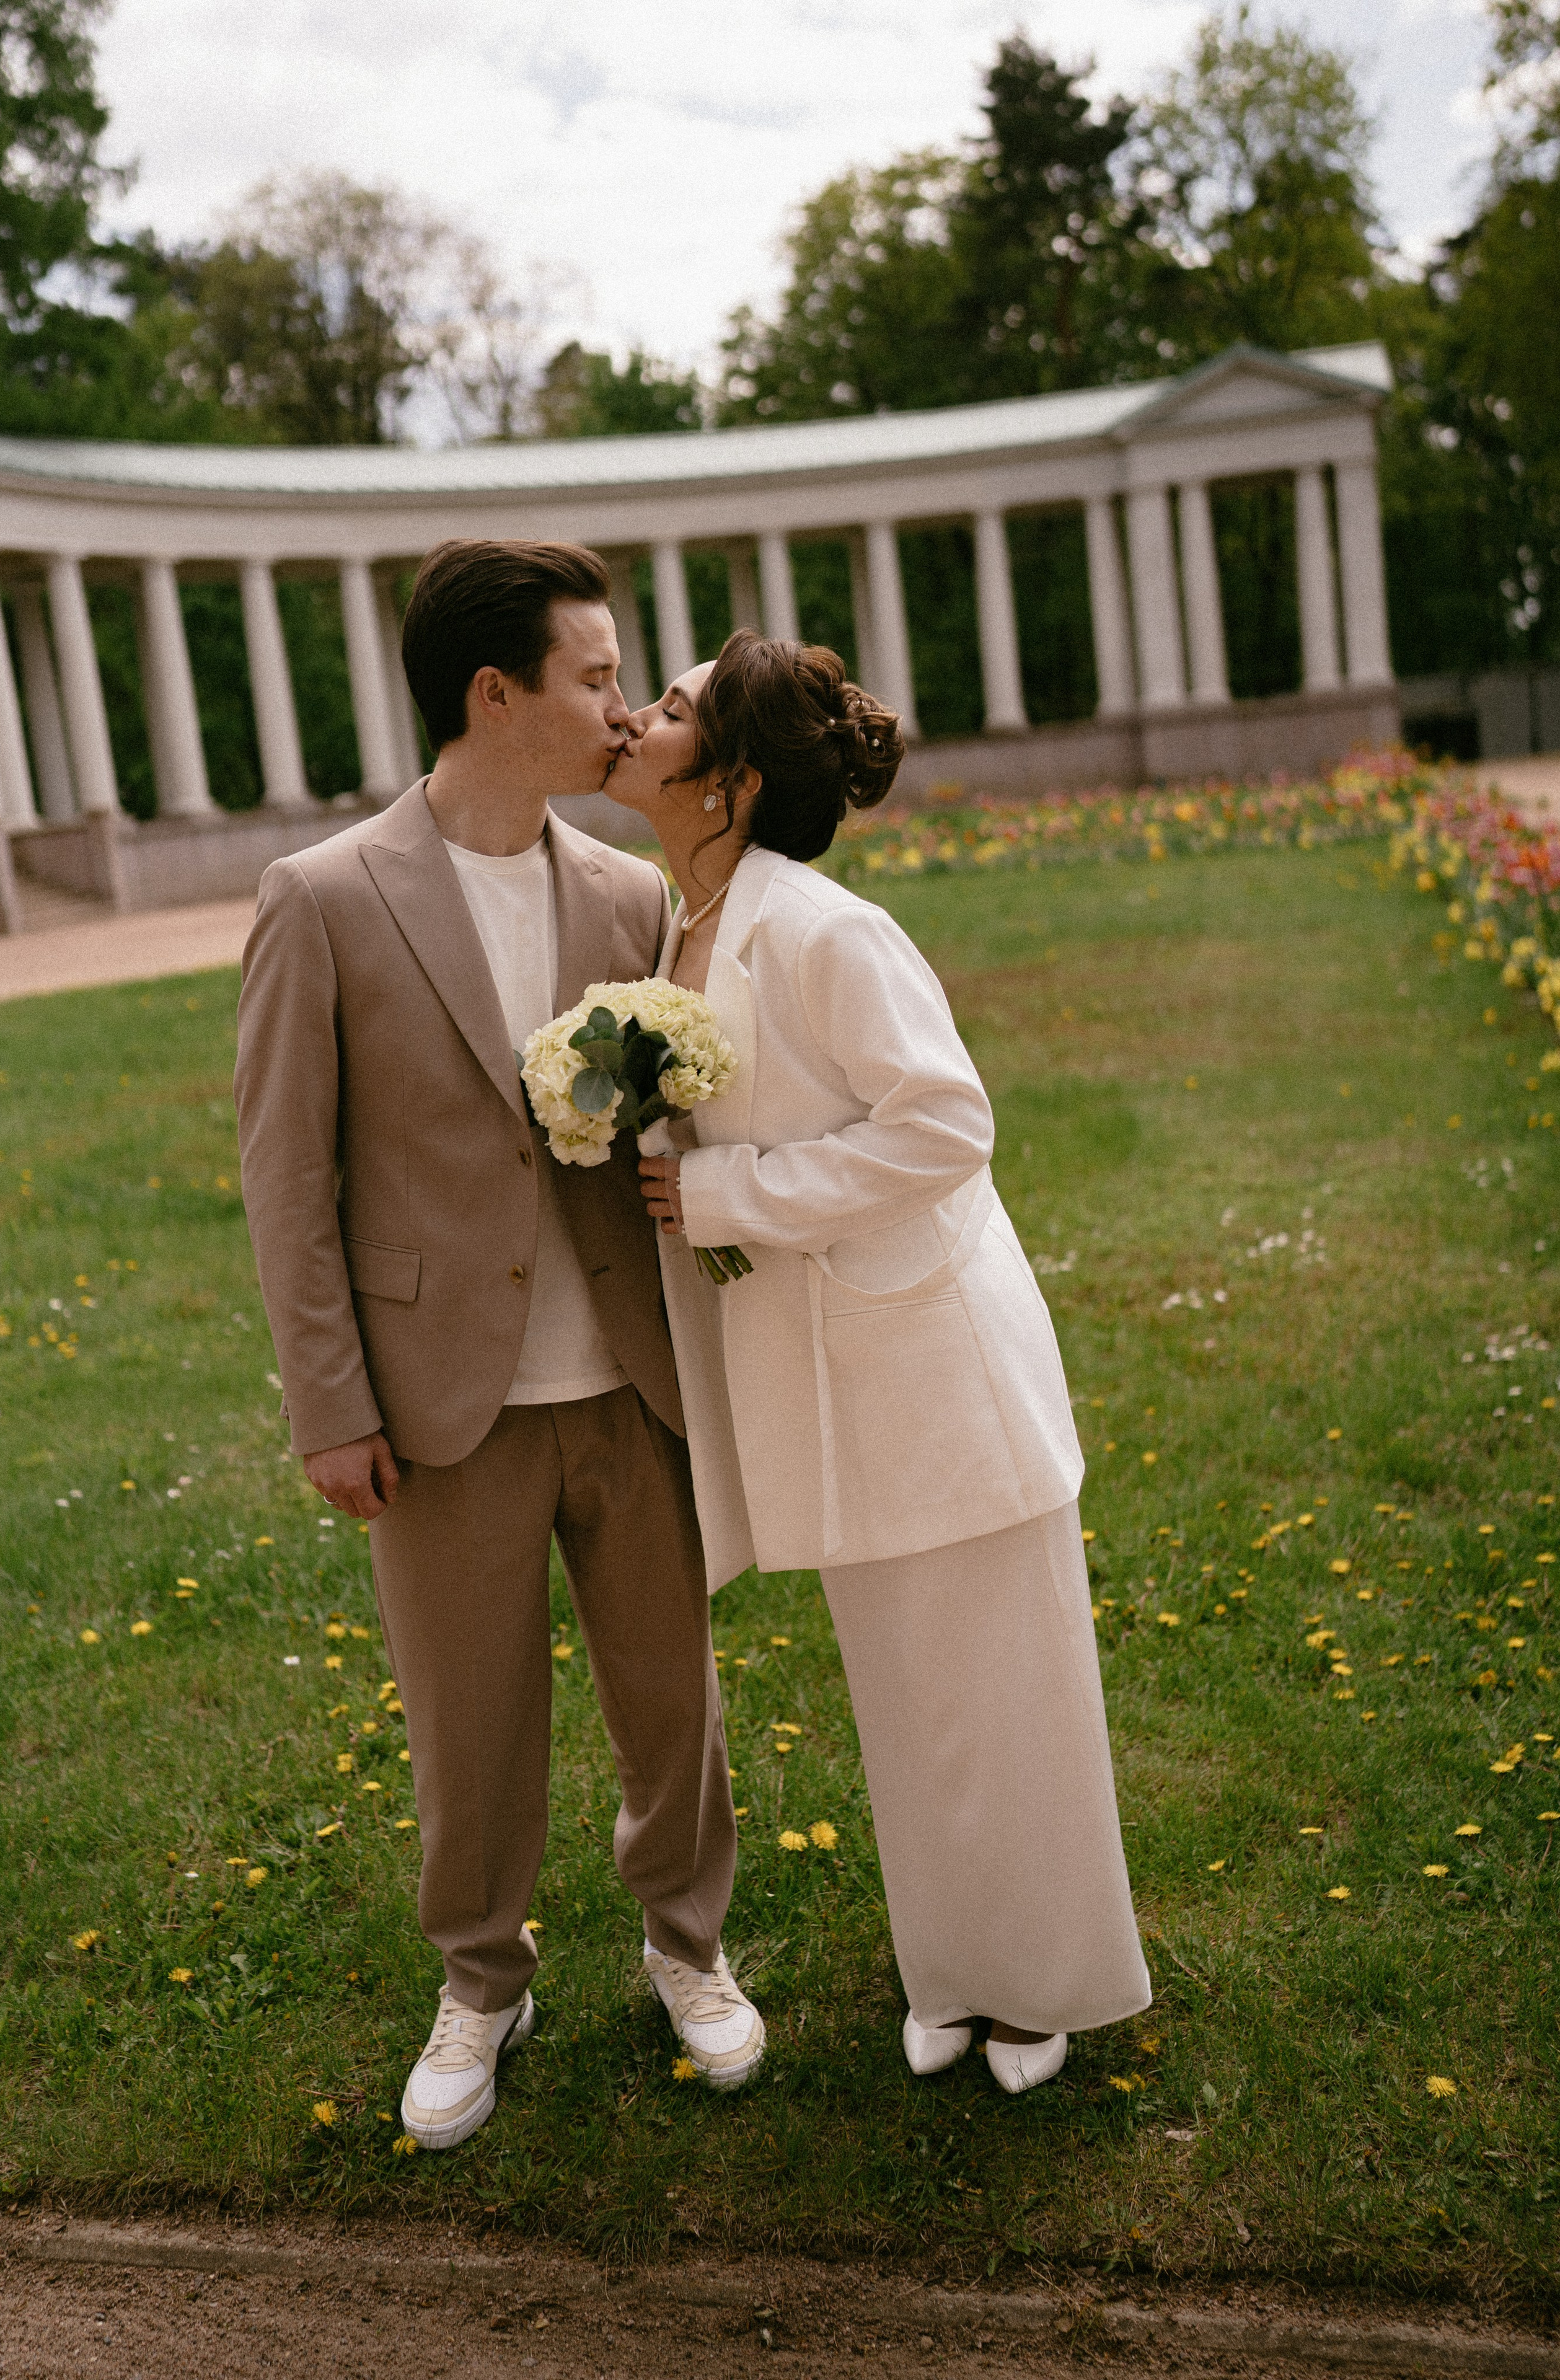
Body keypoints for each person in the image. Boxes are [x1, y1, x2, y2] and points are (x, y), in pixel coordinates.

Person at [234, 540, 765, 2149]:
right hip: (436, 1403)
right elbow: (286, 1177)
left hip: (631, 1378)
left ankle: (690, 1945)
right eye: (599, 676)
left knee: (674, 1698)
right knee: (469, 1721)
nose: (622, 703)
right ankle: (483, 1979)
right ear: (496, 693)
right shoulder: (323, 898)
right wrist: (329, 1401)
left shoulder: (625, 896)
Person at [615, 629, 1152, 2094]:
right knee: (906, 1690)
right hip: (828, 1377)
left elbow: (942, 1125)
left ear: (722, 780)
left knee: (1003, 1683)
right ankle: (952, 1972)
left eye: (665, 709)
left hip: (933, 1362)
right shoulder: (681, 928)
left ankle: (1042, 1985)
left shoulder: (822, 929)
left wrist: (728, 1199)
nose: (631, 716)